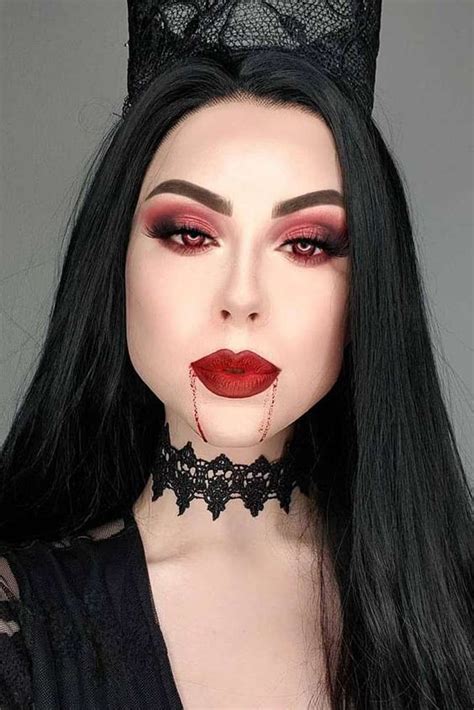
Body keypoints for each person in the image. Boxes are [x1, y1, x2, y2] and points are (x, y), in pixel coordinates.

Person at [0, 2, 472, 709]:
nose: (242, 297)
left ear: (370, 289)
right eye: (191, 234)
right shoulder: (21, 627)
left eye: (306, 244)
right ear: (114, 263)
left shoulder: (452, 612)